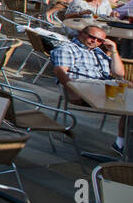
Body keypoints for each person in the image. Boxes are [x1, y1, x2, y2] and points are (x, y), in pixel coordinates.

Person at [52, 24, 128, 153]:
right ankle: (121, 145)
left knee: (128, 87)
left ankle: (120, 143)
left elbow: (119, 73)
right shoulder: (67, 48)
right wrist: (73, 91)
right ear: (81, 34)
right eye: (92, 37)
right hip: (81, 85)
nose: (95, 41)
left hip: (101, 85)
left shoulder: (99, 52)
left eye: (100, 40)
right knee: (128, 100)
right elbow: (60, 71)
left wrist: (114, 50)